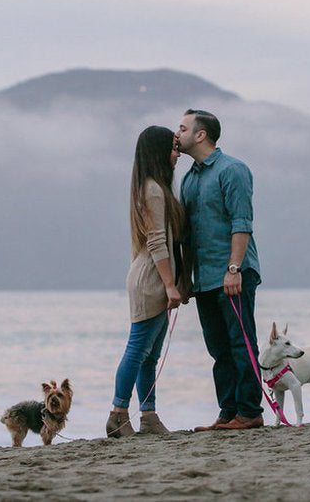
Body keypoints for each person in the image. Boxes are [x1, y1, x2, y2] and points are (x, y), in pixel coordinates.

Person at [175, 109, 264, 431]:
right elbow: (187, 235)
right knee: (218, 349)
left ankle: (249, 412)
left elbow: (242, 223)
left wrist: (234, 268)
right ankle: (228, 413)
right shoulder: (189, 178)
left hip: (234, 272)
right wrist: (185, 279)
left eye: (183, 128)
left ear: (201, 135)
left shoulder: (233, 170)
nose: (177, 134)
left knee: (241, 343)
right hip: (204, 279)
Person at [106, 125, 190, 437]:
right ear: (157, 152)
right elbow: (157, 243)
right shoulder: (152, 190)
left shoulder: (154, 187)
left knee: (150, 355)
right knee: (138, 349)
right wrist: (170, 284)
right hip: (150, 280)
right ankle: (117, 414)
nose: (176, 154)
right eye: (172, 148)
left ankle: (149, 416)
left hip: (154, 277)